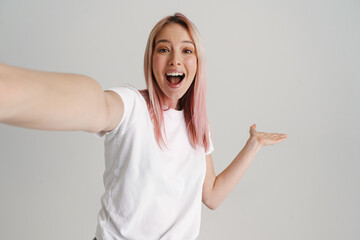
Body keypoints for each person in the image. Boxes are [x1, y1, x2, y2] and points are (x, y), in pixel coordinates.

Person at [0, 13, 287, 240]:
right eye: (164, 49)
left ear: (198, 63)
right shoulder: (131, 105)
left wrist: (253, 145)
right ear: (151, 60)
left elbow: (211, 195)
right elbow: (95, 104)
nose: (175, 58)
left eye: (187, 50)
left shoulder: (198, 125)